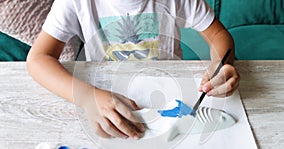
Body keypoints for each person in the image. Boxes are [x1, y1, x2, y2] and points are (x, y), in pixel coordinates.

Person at [26, 0, 240, 140]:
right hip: (106, 97)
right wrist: (88, 97)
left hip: (168, 93)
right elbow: (38, 59)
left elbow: (218, 36)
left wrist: (221, 64)